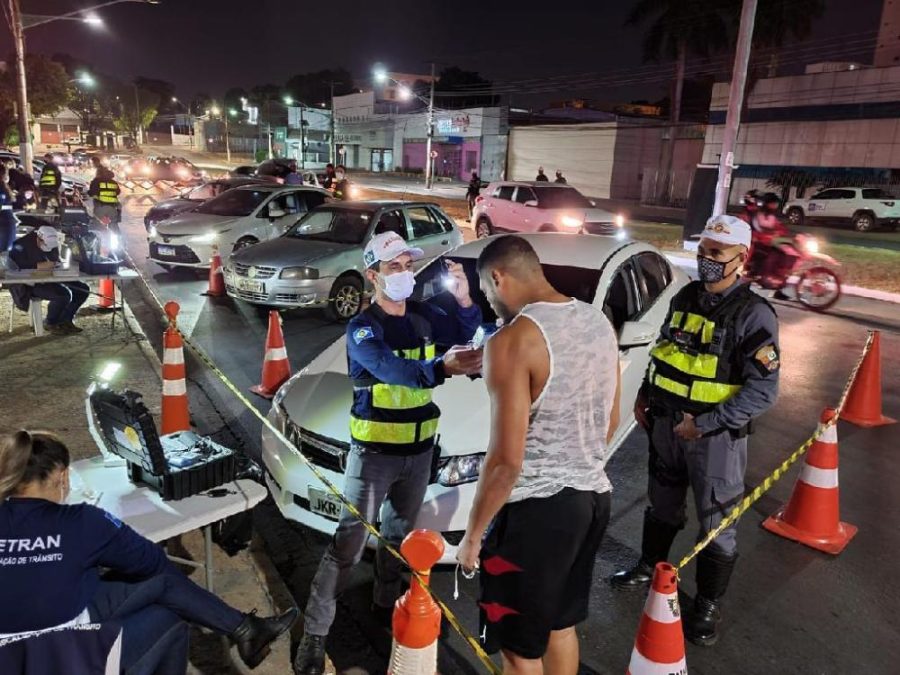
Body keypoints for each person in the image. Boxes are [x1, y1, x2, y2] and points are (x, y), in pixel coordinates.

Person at [294, 232, 483, 675]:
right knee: (347, 546)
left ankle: (384, 607)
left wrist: (464, 299)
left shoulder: (423, 315)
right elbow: (393, 369)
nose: (404, 274)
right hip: (374, 455)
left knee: (396, 540)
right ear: (372, 275)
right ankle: (315, 634)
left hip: (419, 456)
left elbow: (462, 330)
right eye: (394, 267)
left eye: (408, 265)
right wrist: (441, 367)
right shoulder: (363, 327)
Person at [610, 214, 780, 647]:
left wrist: (704, 424)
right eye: (703, 250)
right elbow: (666, 350)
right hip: (666, 425)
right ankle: (650, 565)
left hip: (714, 439)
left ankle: (706, 605)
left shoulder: (753, 314)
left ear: (742, 259)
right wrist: (645, 394)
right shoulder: (686, 296)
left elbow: (762, 392)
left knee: (717, 522)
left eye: (716, 254)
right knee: (662, 501)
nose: (706, 260)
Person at [0, 430, 297, 674]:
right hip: (54, 657)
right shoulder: (80, 521)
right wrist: (104, 536)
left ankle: (245, 630)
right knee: (168, 619)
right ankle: (245, 631)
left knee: (163, 584)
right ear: (63, 477)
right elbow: (150, 561)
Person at [455, 235, 620, 675]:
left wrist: (472, 536)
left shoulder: (512, 340)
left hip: (537, 515)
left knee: (518, 649)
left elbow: (506, 461)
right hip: (592, 500)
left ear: (498, 277)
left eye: (487, 293)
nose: (489, 304)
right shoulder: (597, 321)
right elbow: (610, 418)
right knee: (558, 627)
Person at [8, 225, 90, 336]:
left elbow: (55, 259)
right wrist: (37, 266)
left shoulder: (52, 244)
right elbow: (14, 266)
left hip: (51, 275)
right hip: (29, 283)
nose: (49, 249)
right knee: (63, 295)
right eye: (46, 245)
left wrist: (56, 264)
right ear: (39, 238)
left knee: (83, 289)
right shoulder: (20, 245)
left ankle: (65, 319)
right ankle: (50, 322)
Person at [88, 158, 122, 232]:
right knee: (114, 225)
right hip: (112, 208)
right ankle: (118, 239)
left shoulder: (96, 181)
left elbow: (91, 192)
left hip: (100, 208)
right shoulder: (113, 182)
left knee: (98, 226)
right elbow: (118, 192)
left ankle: (102, 241)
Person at [0, 165, 16, 269]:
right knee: (4, 256)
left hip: (5, 224)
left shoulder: (3, 187)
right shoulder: (2, 188)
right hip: (5, 224)